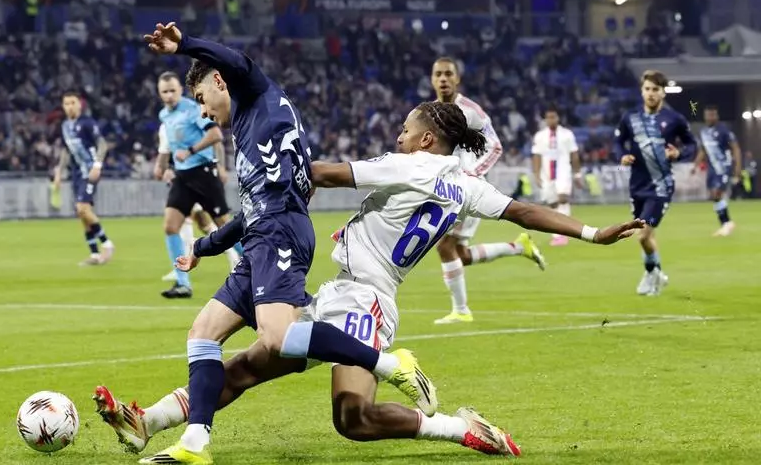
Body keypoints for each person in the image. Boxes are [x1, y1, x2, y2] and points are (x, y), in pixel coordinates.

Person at [93, 101, 644, 464]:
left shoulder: (408, 165)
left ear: (426, 138)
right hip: (347, 292)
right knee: (249, 365)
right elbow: (523, 211)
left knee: (352, 417)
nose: (398, 137)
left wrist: (274, 159)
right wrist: (592, 232)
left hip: (366, 301)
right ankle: (148, 422)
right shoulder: (465, 184)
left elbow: (324, 173)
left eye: (405, 130)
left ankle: (455, 424)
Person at [139, 23, 436, 464]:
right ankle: (195, 442)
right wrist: (204, 247)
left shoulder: (255, 94)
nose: (202, 111)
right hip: (265, 231)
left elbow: (238, 63)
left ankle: (392, 365)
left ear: (219, 81)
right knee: (203, 333)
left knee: (277, 338)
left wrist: (185, 46)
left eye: (201, 98)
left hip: (279, 232)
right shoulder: (253, 123)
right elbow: (252, 210)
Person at [428, 57, 545, 325]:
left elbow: (495, 146)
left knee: (445, 246)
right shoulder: (429, 112)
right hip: (445, 189)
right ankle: (519, 247)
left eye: (448, 74)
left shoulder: (471, 111)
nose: (443, 79)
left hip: (466, 190)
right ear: (432, 79)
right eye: (438, 74)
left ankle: (461, 310)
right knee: (460, 255)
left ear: (457, 78)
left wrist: (472, 173)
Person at [154, 71, 240, 299]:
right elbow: (168, 145)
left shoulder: (192, 109)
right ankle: (183, 283)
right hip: (182, 177)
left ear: (180, 90)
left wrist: (191, 151)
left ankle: (255, 265)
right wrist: (161, 166)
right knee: (170, 226)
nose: (169, 95)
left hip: (203, 174)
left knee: (226, 227)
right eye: (165, 92)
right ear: (159, 93)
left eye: (173, 90)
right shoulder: (165, 115)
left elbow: (215, 135)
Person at [615, 70, 696, 296]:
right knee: (647, 236)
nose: (651, 93)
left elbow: (692, 144)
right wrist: (622, 156)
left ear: (663, 93)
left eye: (655, 89)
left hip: (661, 187)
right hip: (637, 186)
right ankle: (657, 274)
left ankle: (651, 273)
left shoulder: (675, 119)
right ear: (642, 91)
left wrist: (679, 153)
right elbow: (618, 142)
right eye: (647, 89)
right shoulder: (630, 117)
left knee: (643, 235)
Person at [53, 91, 115, 266]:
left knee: (82, 208)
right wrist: (58, 173)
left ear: (80, 104)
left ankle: (107, 244)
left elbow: (102, 144)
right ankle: (94, 254)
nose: (70, 107)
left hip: (89, 172)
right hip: (76, 174)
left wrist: (97, 165)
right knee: (83, 214)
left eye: (73, 103)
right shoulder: (65, 126)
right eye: (66, 104)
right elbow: (66, 150)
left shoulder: (87, 122)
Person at [531, 105, 582, 246]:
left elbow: (574, 155)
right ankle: (557, 235)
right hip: (546, 173)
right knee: (552, 203)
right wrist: (536, 174)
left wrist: (577, 174)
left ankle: (564, 233)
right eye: (548, 117)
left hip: (563, 171)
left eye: (553, 117)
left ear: (558, 118)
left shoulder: (567, 134)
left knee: (563, 199)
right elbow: (536, 156)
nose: (550, 120)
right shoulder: (540, 136)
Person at [692, 105, 740, 236]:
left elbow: (735, 148)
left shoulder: (724, 131)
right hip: (712, 168)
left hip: (723, 167)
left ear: (717, 116)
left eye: (712, 115)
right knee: (714, 195)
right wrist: (695, 165)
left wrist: (737, 168)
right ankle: (726, 223)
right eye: (708, 115)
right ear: (705, 116)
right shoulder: (704, 132)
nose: (710, 117)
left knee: (717, 193)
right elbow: (703, 150)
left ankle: (726, 223)